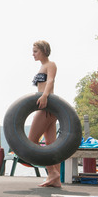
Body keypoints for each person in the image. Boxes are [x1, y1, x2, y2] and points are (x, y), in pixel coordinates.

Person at [29, 40, 61, 187]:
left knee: (32, 140)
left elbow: (51, 81)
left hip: (47, 106)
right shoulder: (42, 66)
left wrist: (44, 96)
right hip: (48, 107)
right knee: (51, 144)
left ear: (43, 50)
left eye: (35, 51)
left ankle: (52, 173)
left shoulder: (50, 65)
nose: (33, 54)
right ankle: (55, 180)